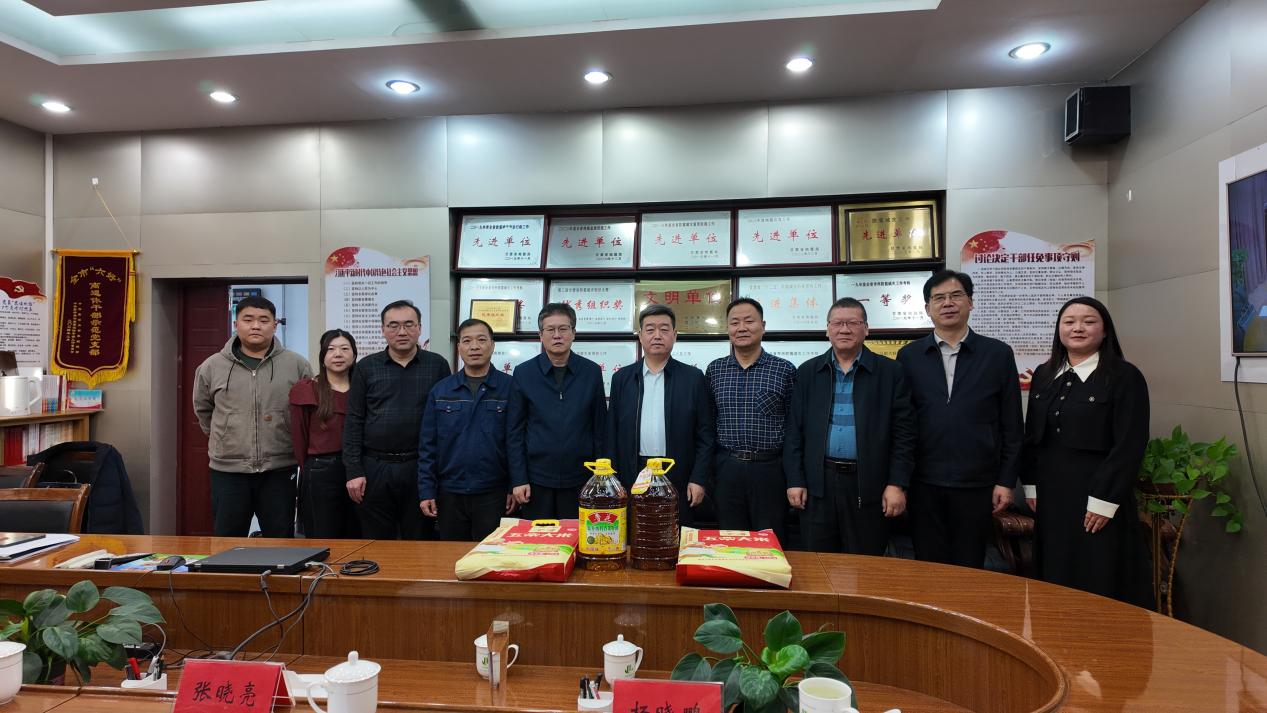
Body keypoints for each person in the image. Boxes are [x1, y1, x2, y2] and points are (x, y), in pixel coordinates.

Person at [1021, 297, 1153, 606]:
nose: (1077, 328)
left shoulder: (1124, 376)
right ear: (1059, 330)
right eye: (1069, 322)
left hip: (1097, 499)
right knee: (1055, 577)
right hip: (1051, 498)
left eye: (1088, 321)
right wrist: (1030, 485)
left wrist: (1104, 501)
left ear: (1105, 331)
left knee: (1097, 577)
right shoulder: (1045, 374)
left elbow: (1130, 444)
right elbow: (1032, 437)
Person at [896, 270, 1023, 568]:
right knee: (928, 563)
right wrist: (899, 481)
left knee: (970, 563)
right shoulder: (909, 356)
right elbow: (902, 424)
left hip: (977, 482)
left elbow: (1012, 425)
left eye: (956, 296)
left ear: (970, 302)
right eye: (938, 298)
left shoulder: (997, 354)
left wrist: (1006, 481)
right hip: (923, 481)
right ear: (927, 308)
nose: (948, 303)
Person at [784, 298, 916, 555]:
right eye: (837, 323)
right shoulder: (808, 372)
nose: (844, 329)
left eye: (853, 323)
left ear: (866, 329)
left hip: (869, 485)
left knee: (865, 562)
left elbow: (905, 435)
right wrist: (795, 480)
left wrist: (897, 484)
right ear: (827, 329)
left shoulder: (890, 373)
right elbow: (794, 433)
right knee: (819, 561)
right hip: (818, 484)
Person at [193, 295, 312, 538]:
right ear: (236, 324)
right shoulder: (212, 366)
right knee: (227, 539)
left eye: (263, 320)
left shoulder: (296, 364)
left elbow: (307, 413)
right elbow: (203, 410)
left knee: (280, 540)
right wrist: (227, 435)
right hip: (228, 470)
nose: (256, 326)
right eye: (248, 319)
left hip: (280, 468)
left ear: (275, 325)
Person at [343, 300, 451, 540]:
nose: (402, 332)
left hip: (420, 467)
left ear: (420, 328)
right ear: (383, 330)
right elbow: (354, 421)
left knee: (421, 538)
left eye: (409, 324)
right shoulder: (366, 367)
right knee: (376, 540)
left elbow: (446, 423)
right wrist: (354, 470)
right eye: (393, 325)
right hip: (375, 467)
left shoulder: (437, 365)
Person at [607, 305, 714, 525]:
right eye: (650, 329)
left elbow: (706, 435)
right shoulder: (622, 379)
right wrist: (613, 480)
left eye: (664, 329)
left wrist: (698, 478)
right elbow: (611, 434)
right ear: (640, 336)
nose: (657, 335)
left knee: (675, 534)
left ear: (674, 335)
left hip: (678, 473)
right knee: (637, 534)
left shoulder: (693, 378)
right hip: (633, 472)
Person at [705, 298, 796, 544]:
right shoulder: (715, 371)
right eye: (735, 322)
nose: (742, 328)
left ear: (763, 326)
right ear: (727, 328)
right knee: (731, 542)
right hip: (727, 469)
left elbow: (794, 429)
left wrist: (794, 478)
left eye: (749, 321)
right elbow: (708, 425)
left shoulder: (784, 370)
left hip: (770, 470)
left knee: (771, 541)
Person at [507, 303, 607, 520]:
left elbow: (600, 428)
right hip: (536, 480)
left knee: (578, 537)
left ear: (574, 333)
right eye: (550, 329)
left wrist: (601, 477)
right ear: (540, 335)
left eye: (563, 329)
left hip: (582, 478)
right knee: (540, 539)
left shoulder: (591, 372)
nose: (557, 335)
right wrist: (519, 479)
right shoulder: (524, 373)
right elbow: (514, 432)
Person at [418, 318, 515, 541]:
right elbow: (427, 445)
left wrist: (513, 486)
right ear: (458, 347)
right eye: (467, 341)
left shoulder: (510, 388)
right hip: (449, 492)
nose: (474, 347)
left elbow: (516, 441)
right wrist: (426, 490)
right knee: (451, 556)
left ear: (492, 345)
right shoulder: (441, 390)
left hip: (494, 492)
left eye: (481, 340)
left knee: (491, 555)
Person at [288, 329, 360, 539]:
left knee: (358, 533)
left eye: (344, 349)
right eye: (331, 349)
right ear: (322, 356)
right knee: (323, 534)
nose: (338, 354)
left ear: (354, 354)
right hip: (320, 471)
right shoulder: (307, 389)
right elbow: (299, 438)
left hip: (360, 471)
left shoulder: (364, 389)